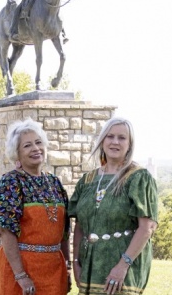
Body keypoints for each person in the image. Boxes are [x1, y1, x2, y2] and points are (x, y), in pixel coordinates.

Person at [68, 117, 159, 295]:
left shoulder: (138, 178)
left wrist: (122, 266)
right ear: (102, 141)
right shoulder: (87, 180)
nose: (115, 142)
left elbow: (147, 227)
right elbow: (80, 226)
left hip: (124, 268)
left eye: (121, 138)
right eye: (110, 136)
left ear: (130, 143)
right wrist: (76, 262)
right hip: (90, 264)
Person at [0, 118, 71, 294]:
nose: (36, 148)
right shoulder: (11, 182)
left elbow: (64, 231)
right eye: (27, 145)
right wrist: (21, 276)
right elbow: (4, 230)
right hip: (20, 270)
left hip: (53, 269)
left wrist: (66, 268)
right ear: (17, 153)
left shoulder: (54, 183)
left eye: (38, 143)